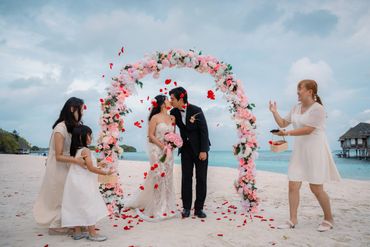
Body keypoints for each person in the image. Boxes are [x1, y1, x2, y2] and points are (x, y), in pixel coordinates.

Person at [269, 79, 341, 232]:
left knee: (316, 188)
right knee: (293, 184)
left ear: (310, 91)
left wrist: (287, 133)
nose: (297, 92)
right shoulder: (296, 107)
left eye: (299, 89)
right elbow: (282, 123)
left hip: (315, 151)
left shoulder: (318, 109)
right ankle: (292, 220)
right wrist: (274, 112)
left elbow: (308, 130)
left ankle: (328, 219)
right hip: (299, 152)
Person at [33, 97, 87, 235]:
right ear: (72, 109)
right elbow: (58, 155)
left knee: (68, 193)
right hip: (59, 165)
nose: (83, 112)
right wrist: (78, 161)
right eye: (82, 109)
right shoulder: (60, 128)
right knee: (61, 194)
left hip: (67, 163)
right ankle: (58, 225)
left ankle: (71, 222)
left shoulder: (71, 126)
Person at [125, 95, 179, 222]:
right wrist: (162, 146)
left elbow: (173, 135)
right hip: (157, 150)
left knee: (168, 178)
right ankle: (157, 207)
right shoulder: (155, 118)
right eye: (167, 99)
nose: (169, 101)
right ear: (161, 103)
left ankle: (167, 207)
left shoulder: (172, 117)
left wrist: (172, 145)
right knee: (158, 177)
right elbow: (150, 136)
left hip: (169, 152)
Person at [61, 125, 114, 241]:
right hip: (84, 183)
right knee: (89, 205)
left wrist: (99, 164)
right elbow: (90, 168)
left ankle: (77, 232)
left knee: (77, 205)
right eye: (89, 135)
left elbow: (84, 166)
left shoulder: (76, 151)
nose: (91, 138)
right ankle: (92, 233)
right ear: (82, 136)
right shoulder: (86, 150)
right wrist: (106, 172)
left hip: (74, 182)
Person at [169, 87, 210, 218]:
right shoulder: (173, 112)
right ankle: (186, 208)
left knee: (201, 179)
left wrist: (204, 150)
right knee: (186, 178)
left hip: (200, 150)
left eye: (172, 99)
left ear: (181, 98)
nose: (171, 101)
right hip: (185, 149)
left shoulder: (196, 110)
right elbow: (171, 128)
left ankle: (199, 209)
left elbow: (204, 131)